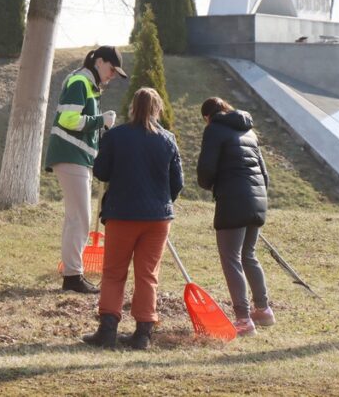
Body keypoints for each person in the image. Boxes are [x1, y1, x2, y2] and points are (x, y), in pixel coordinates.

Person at [83, 87, 183, 350]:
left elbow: (101, 172)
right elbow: (177, 183)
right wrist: (162, 201)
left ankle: (107, 330)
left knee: (114, 273)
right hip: (158, 218)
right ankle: (143, 333)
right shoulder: (168, 139)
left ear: (132, 107)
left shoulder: (116, 136)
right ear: (157, 109)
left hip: (122, 213)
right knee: (148, 274)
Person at [44, 45, 127, 294]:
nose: (112, 76)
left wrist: (101, 129)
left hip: (76, 156)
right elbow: (68, 120)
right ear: (99, 61)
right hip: (70, 155)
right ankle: (72, 276)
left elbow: (79, 123)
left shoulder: (87, 84)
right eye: (111, 69)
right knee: (80, 218)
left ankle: (72, 274)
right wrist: (102, 120)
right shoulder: (81, 81)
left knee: (76, 218)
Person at [196, 96, 274, 336]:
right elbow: (265, 174)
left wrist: (209, 185)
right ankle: (263, 309)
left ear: (207, 117)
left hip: (232, 199)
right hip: (257, 199)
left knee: (231, 258)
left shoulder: (214, 129)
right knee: (248, 254)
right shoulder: (249, 131)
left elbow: (206, 169)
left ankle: (243, 319)